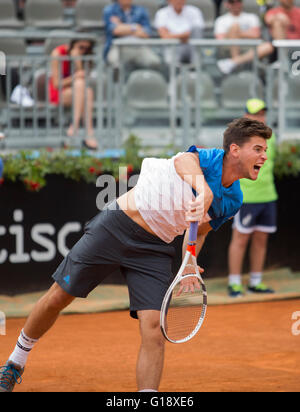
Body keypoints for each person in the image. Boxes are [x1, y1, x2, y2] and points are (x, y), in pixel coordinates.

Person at [0, 118, 272, 392]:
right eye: (258, 149)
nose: (264, 156)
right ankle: (15, 362)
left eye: (265, 150)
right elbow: (183, 162)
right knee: (58, 297)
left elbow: (199, 231)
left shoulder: (234, 200)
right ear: (235, 150)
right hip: (116, 227)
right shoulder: (211, 159)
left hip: (154, 249)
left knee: (154, 329)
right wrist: (204, 190)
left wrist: (190, 261)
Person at [227, 99, 278, 297]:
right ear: (246, 116)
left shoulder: (270, 138)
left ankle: (255, 281)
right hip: (246, 198)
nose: (260, 117)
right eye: (255, 114)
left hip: (268, 196)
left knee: (261, 240)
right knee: (240, 239)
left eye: (262, 113)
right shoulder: (239, 140)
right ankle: (234, 283)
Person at [49, 38, 98, 150]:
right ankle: (88, 133)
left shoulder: (85, 57)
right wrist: (75, 76)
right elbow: (56, 84)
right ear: (73, 45)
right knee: (83, 87)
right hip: (59, 92)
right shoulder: (58, 53)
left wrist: (78, 62)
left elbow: (83, 78)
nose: (83, 51)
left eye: (87, 48)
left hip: (78, 92)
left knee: (86, 90)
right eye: (81, 47)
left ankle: (75, 126)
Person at [216, 0, 274, 74]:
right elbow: (220, 40)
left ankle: (234, 62)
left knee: (268, 46)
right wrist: (237, 33)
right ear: (227, 4)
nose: (236, 4)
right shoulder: (221, 20)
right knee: (234, 27)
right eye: (232, 2)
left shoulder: (252, 17)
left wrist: (237, 33)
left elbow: (256, 34)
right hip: (229, 48)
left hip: (250, 48)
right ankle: (237, 66)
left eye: (238, 1)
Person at [103, 0, 161, 69]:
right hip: (118, 47)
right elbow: (115, 31)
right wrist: (135, 27)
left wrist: (121, 26)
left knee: (154, 62)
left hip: (139, 47)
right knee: (114, 62)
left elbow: (146, 33)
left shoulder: (141, 10)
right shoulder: (110, 10)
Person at [154, 0, 205, 64]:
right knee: (170, 61)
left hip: (191, 47)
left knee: (196, 57)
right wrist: (184, 36)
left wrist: (172, 35)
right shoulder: (161, 13)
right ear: (169, 1)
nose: (179, 1)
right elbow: (164, 36)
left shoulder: (195, 11)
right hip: (171, 47)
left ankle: (193, 70)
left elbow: (196, 32)